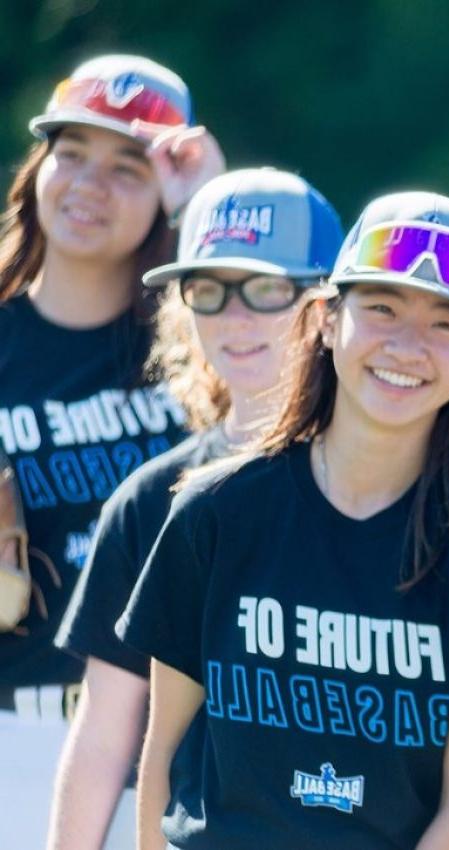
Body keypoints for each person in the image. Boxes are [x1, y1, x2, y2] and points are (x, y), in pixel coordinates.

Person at [118, 192, 449, 848]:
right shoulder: (214, 512)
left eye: (446, 324)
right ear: (327, 319)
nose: (407, 346)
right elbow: (163, 755)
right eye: (382, 309)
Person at [48, 168, 342, 850]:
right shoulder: (152, 500)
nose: (235, 319)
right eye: (207, 291)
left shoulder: (385, 497)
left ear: (329, 307)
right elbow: (100, 737)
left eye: (266, 288)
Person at [0, 54, 223, 846]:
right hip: (15, 739)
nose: (90, 184)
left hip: (180, 748)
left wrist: (207, 207)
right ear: (37, 171)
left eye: (130, 166)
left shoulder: (207, 345)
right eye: (72, 154)